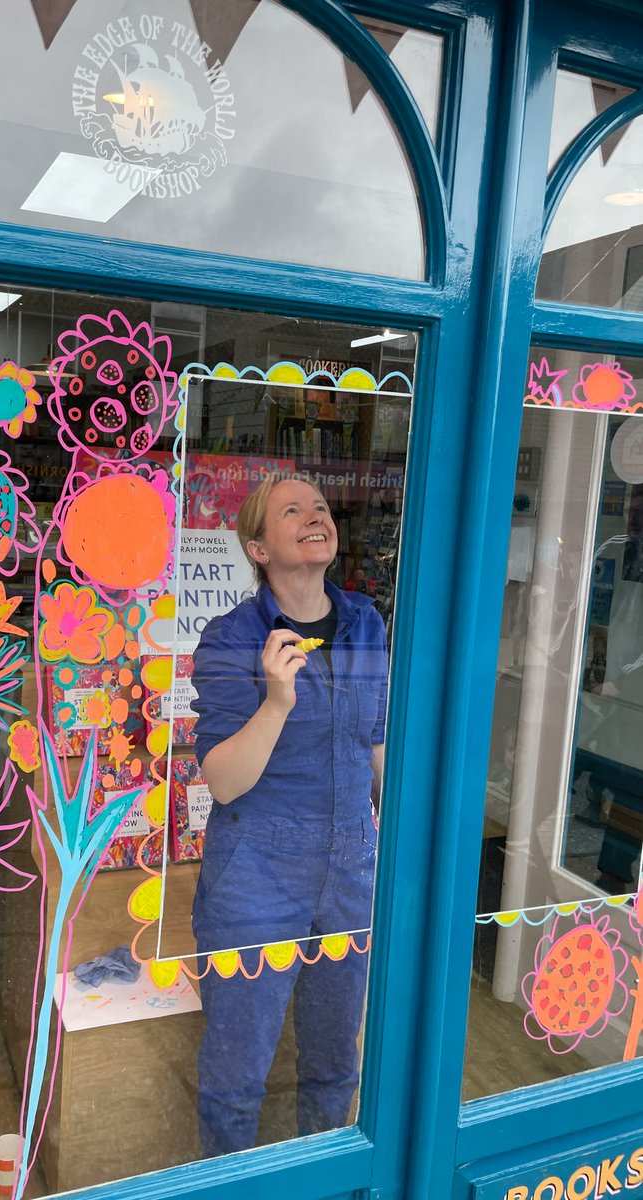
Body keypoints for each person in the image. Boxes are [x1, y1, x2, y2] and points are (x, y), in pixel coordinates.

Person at [190, 475, 387, 1155]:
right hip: (257, 878)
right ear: (259, 547)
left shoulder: (365, 624)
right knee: (237, 1076)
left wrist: (401, 837)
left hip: (350, 874)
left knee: (336, 1065)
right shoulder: (230, 639)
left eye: (322, 508)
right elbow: (224, 782)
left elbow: (377, 742)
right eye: (292, 510)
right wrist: (275, 701)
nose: (315, 517)